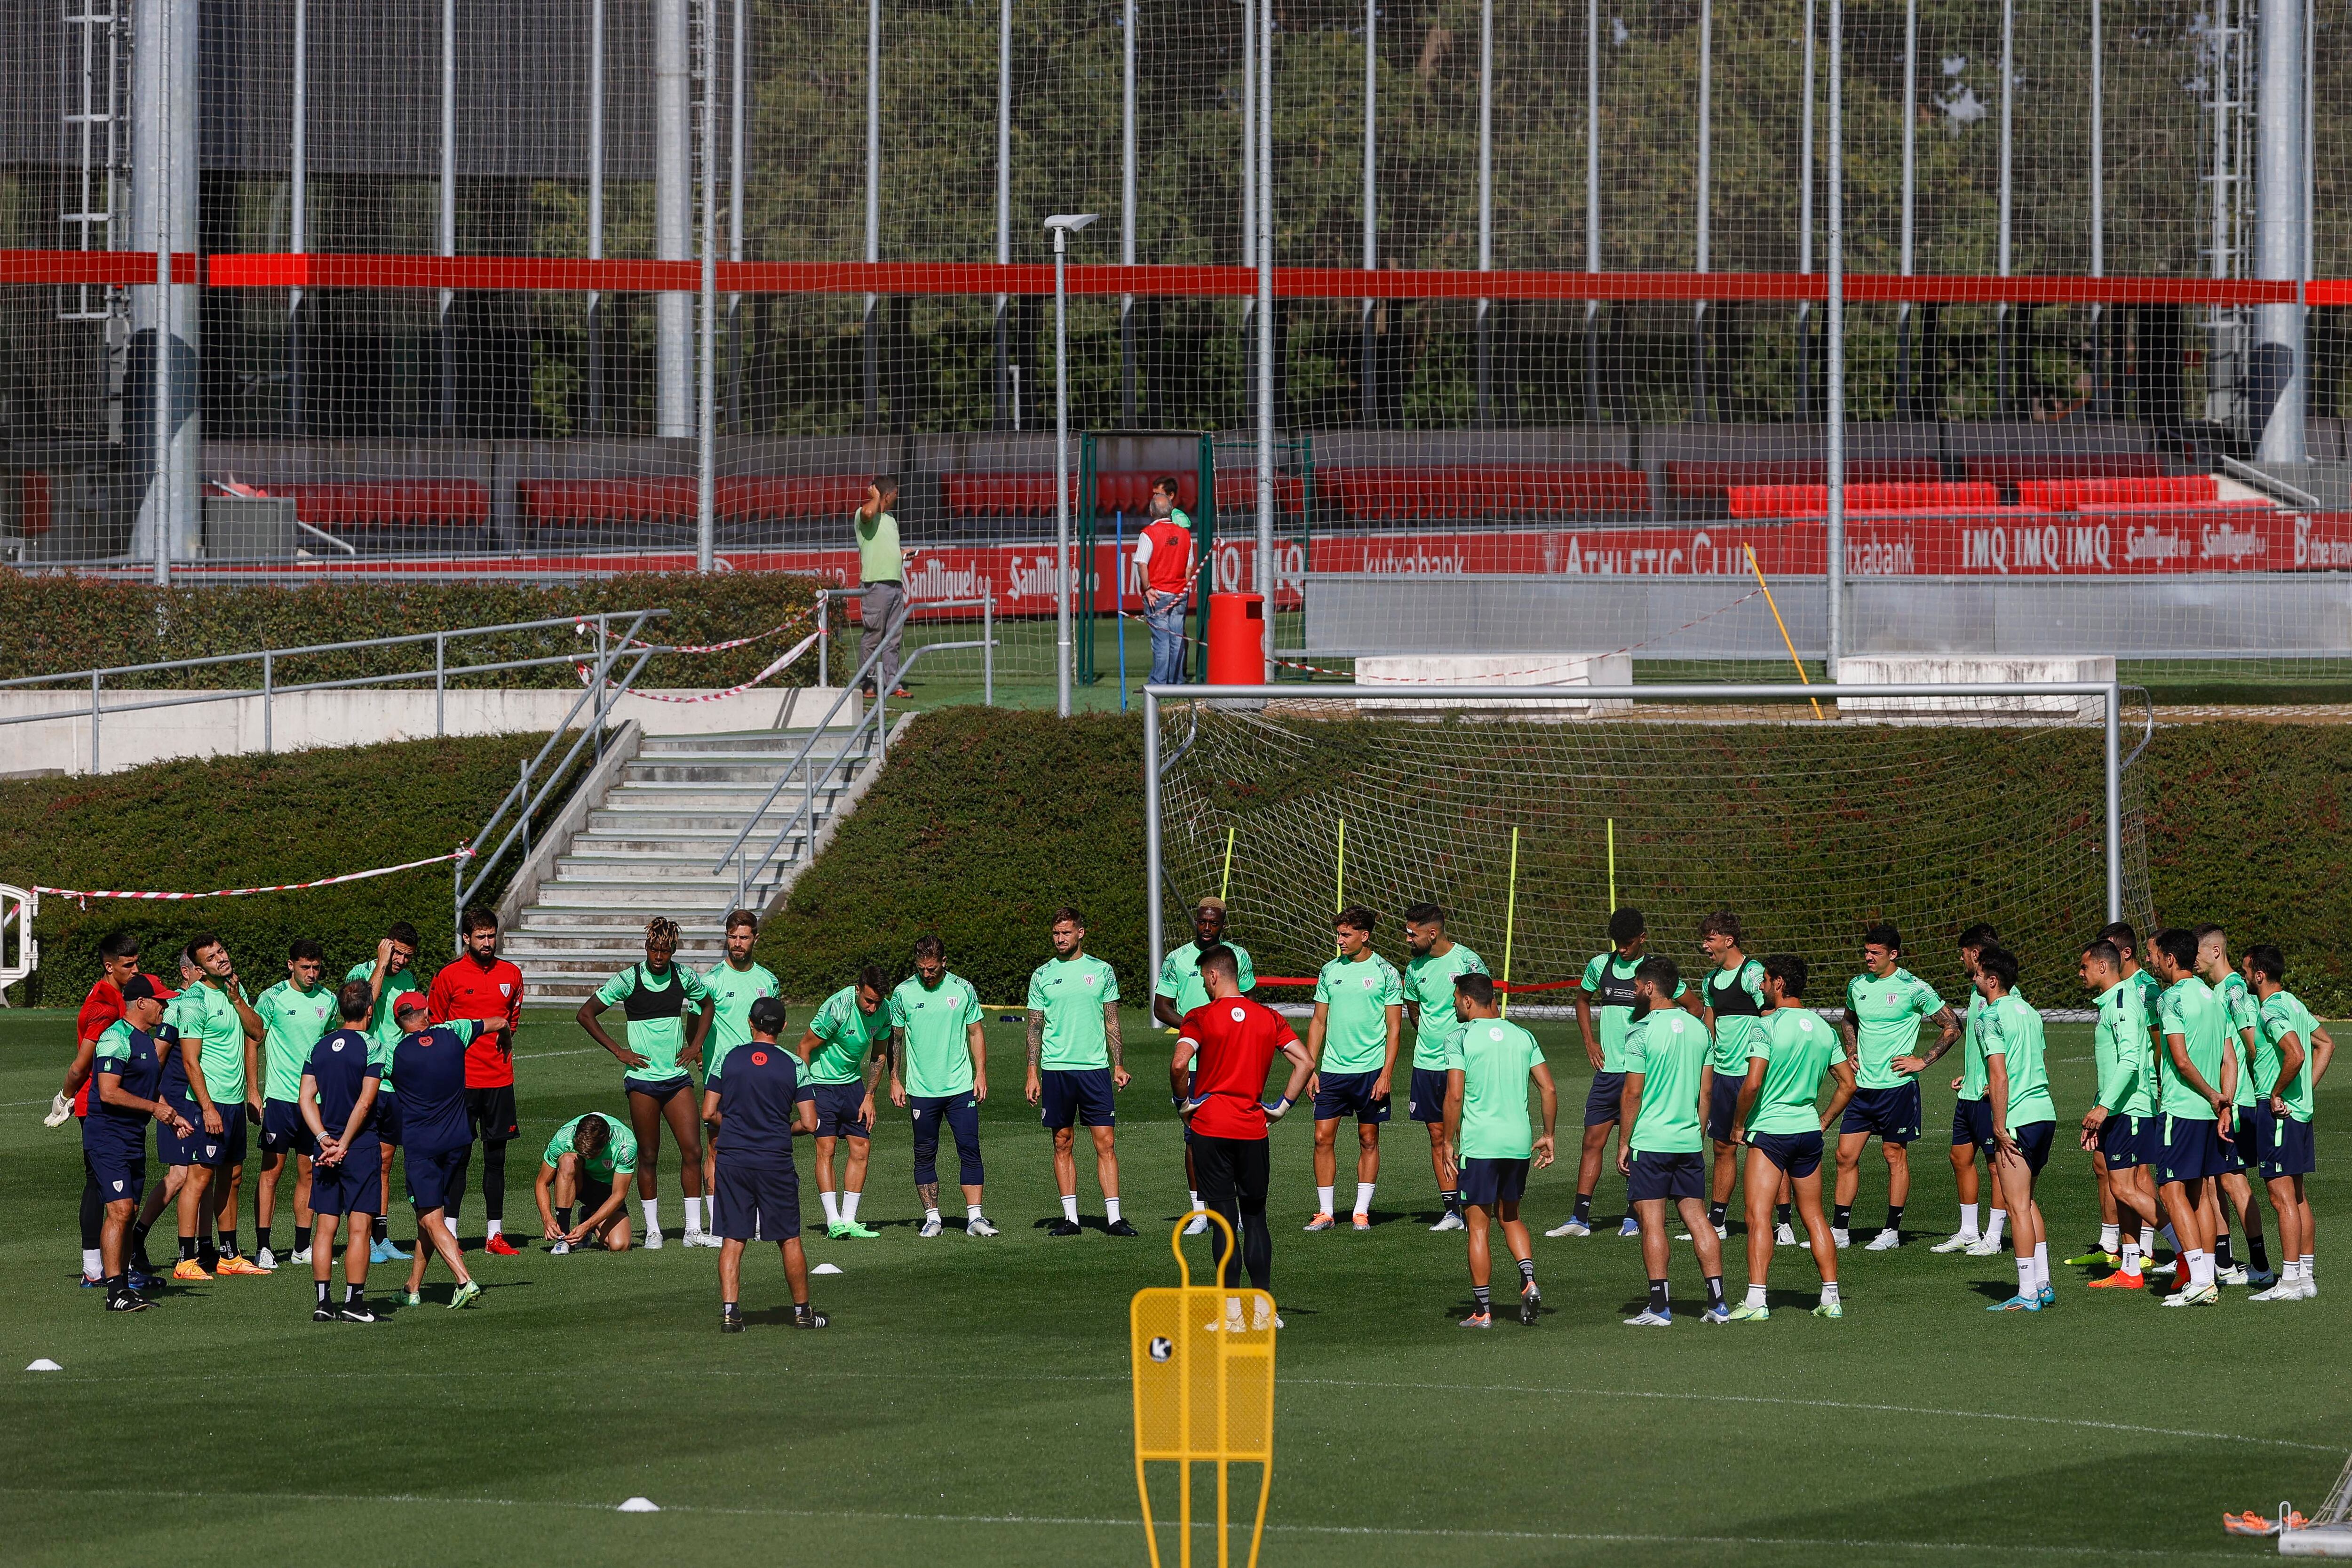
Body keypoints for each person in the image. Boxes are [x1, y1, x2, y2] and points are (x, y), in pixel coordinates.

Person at [1170, 945, 1315, 1313]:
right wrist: (1282, 1107)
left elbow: (1179, 1064)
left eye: (1204, 977)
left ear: (1214, 975)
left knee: (1223, 1223)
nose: (1204, 984)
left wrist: (1185, 1103)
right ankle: (1265, 1311)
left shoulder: (1199, 1016)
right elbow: (1305, 1061)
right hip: (1253, 1129)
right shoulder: (1268, 1017)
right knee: (1256, 1219)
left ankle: (1232, 1312)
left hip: (1211, 1128)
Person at [577, 917, 717, 1250]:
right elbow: (586, 1013)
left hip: (677, 1078)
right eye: (654, 948)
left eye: (665, 950)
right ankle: (653, 1230)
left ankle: (693, 1230)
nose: (658, 955)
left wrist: (696, 1045)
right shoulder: (629, 978)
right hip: (642, 1081)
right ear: (646, 947)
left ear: (673, 950)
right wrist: (619, 1052)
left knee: (693, 1150)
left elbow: (708, 1004)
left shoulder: (684, 976)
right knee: (649, 1155)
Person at [1556, 908, 1697, 1240]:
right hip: (1609, 1074)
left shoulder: (1654, 973)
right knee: (1592, 1141)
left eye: (1629, 943)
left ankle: (1634, 1217)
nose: (1622, 949)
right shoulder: (1599, 966)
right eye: (1617, 942)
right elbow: (1582, 999)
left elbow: (1695, 1007)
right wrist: (1590, 1041)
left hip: (1644, 1075)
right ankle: (1580, 1217)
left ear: (1643, 939)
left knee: (1638, 1146)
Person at [1728, 955, 1848, 1321]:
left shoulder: (1766, 1026)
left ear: (1779, 983)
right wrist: (1825, 1119)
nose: (1761, 987)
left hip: (1771, 1133)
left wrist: (1738, 1124)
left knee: (1757, 1215)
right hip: (1809, 1132)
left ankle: (1755, 1301)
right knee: (1814, 1216)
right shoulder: (1824, 1028)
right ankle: (1832, 1298)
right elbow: (1848, 1084)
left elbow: (1752, 1083)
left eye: (1765, 980)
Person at [705, 997, 828, 1332]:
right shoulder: (794, 1065)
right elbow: (810, 1122)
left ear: (750, 1022)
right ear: (784, 1027)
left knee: (733, 1238)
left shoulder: (727, 1058)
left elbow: (708, 1112)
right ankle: (803, 1313)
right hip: (775, 1160)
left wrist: (734, 1125)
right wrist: (782, 1128)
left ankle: (731, 1314)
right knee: (789, 1238)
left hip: (733, 1159)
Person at [1618, 957, 1729, 1326]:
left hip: (1651, 1141)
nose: (1634, 992)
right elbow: (1707, 1090)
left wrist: (1623, 1143)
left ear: (1650, 987)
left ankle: (1660, 1307)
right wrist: (1696, 1130)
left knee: (1652, 1222)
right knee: (1698, 1217)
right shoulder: (1701, 1030)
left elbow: (1633, 1094)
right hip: (1687, 1141)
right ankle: (1718, 1303)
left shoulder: (1642, 1031)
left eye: (1636, 986)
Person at [1442, 973, 1556, 1329]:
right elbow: (1548, 1088)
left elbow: (1455, 1095)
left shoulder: (1458, 1037)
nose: (1454, 1005)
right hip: (1518, 1143)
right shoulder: (1523, 1035)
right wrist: (1549, 1134)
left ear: (1466, 1001)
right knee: (1511, 1217)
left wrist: (1447, 1141)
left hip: (1480, 1144)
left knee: (1478, 1227)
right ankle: (1529, 1280)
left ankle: (1482, 1310)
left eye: (1456, 998)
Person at [1835, 924, 1957, 1251]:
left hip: (1897, 1089)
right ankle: (1840, 1230)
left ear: (1893, 954)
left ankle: (1891, 1231)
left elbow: (1952, 1025)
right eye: (1866, 950)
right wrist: (1851, 1049)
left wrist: (1923, 1061)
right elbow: (1848, 1019)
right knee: (1845, 1155)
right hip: (1862, 1088)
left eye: (1875, 952)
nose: (1868, 957)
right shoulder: (1857, 984)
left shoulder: (1913, 987)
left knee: (1893, 1154)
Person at [1024, 907, 1135, 1237]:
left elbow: (1111, 1020)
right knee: (1062, 1141)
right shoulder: (1042, 975)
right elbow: (1034, 1026)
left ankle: (1114, 1218)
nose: (1060, 939)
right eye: (1056, 933)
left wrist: (1118, 1063)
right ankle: (1071, 1218)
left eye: (1066, 933)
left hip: (1095, 1070)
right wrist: (1032, 1072)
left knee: (1106, 1141)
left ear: (1081, 933)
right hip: (1056, 1070)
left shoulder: (1101, 970)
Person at [84, 976, 193, 1311]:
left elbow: (145, 1090)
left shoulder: (145, 1041)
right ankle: (114, 1291)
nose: (166, 1006)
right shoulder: (115, 1038)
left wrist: (172, 1116)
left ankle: (124, 1282)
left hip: (132, 1138)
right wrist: (157, 1109)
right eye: (161, 1000)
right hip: (108, 1137)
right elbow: (109, 1091)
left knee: (129, 1210)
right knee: (118, 1210)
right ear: (142, 1002)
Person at [425, 905, 527, 1255]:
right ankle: (450, 1231)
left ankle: (494, 1235)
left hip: (499, 1079)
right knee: (457, 1157)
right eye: (481, 936)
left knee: (496, 1158)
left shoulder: (512, 974)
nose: (487, 942)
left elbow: (512, 1020)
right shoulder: (449, 975)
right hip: (460, 1083)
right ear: (466, 938)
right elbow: (435, 1025)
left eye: (491, 935)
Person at [169, 932, 268, 1278]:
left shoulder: (232, 992)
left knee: (234, 1175)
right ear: (199, 968)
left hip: (234, 1102)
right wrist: (207, 1108)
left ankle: (229, 1255)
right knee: (198, 1177)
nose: (221, 959)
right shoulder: (195, 1000)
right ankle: (185, 1260)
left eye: (221, 951)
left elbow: (257, 1033)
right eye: (211, 958)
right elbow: (190, 1062)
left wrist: (238, 999)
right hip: (205, 1104)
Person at [1156, 896, 1256, 1232]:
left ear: (1223, 923)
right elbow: (1161, 1005)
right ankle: (1200, 1212)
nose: (1207, 928)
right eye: (1202, 922)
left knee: (1238, 1134)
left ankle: (1236, 1211)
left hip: (1233, 1061)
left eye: (1214, 922)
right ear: (1195, 921)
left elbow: (1250, 1002)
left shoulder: (1237, 957)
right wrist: (1194, 1027)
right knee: (1195, 1137)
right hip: (1196, 1063)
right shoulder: (1177, 959)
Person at [389, 994, 495, 1308]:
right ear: (427, 1012)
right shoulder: (454, 1033)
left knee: (431, 1218)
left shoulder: (396, 1051)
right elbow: (498, 1022)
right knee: (427, 1218)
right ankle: (412, 1288)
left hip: (422, 1148)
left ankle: (463, 1280)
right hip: (458, 1142)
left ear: (399, 1021)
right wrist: (503, 1037)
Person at [1304, 906, 1404, 1233]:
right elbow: (1319, 1021)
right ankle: (1326, 1212)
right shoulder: (1329, 970)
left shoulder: (1386, 972)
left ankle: (1361, 1211)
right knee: (1322, 1138)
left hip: (1371, 1071)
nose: (1340, 941)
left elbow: (1394, 1027)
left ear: (1365, 935)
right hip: (1332, 1071)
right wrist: (1310, 1066)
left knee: (1368, 1138)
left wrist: (1387, 1072)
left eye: (1346, 935)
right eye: (1338, 934)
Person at [889, 935, 994, 1238]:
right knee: (924, 1154)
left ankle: (975, 1218)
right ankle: (933, 1218)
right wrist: (895, 1080)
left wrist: (981, 1073)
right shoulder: (903, 993)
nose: (927, 974)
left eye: (932, 968)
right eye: (922, 968)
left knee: (970, 1149)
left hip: (961, 1087)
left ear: (944, 963)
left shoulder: (963, 989)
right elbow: (895, 1038)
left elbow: (975, 1032)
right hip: (921, 1090)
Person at [2149, 928, 2233, 1307]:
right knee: (2199, 1192)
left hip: (2183, 1108)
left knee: (2170, 1189)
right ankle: (2207, 1277)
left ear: (2170, 959)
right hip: (2207, 1111)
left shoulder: (2171, 999)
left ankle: (2199, 1278)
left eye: (2157, 957)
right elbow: (2227, 1059)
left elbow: (2180, 1060)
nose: (2155, 963)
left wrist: (2212, 1094)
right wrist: (2222, 1102)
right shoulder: (2214, 998)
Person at [57, 931, 146, 1289]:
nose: (135, 969)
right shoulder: (105, 1006)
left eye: (137, 961)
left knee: (104, 1183)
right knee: (99, 1183)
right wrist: (64, 1097)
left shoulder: (112, 995)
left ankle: (113, 1265)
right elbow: (82, 1063)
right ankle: (95, 1266)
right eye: (128, 965)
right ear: (110, 966)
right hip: (98, 1103)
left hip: (106, 1099)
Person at [1976, 947, 2058, 1312]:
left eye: (1977, 974)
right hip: (2044, 1113)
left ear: (1993, 980)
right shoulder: (2031, 1013)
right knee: (2028, 1201)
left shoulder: (1989, 1016)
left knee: (2016, 1207)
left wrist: (1997, 1123)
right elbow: (2032, 1062)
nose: (1973, 979)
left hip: (2018, 1118)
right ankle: (2043, 1284)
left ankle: (2027, 1293)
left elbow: (2000, 1073)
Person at [2078, 939, 2162, 1291]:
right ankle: (2130, 1268)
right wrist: (2101, 1107)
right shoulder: (2114, 1001)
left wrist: (2105, 1107)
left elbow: (2130, 1061)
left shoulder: (2124, 1000)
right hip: (2119, 1108)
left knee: (2125, 1188)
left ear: (2102, 967)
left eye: (2084, 967)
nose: (2080, 973)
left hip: (2130, 1108)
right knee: (2121, 1187)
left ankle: (2190, 1254)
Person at [2247, 946, 2329, 1302]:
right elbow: (2325, 1044)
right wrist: (2303, 1092)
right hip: (2299, 1111)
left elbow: (2296, 1053)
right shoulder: (2294, 1002)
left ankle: (2291, 1281)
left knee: (2281, 1198)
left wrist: (2280, 1092)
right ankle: (2305, 1276)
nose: (2245, 976)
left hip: (2277, 1111)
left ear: (2260, 974)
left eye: (2247, 971)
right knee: (2296, 1196)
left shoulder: (2271, 1008)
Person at [300, 981, 385, 1323]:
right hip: (359, 1147)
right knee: (360, 1230)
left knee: (324, 1229)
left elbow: (305, 1098)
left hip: (324, 1149)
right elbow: (365, 1103)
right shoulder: (373, 1046)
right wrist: (345, 1144)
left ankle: (323, 1303)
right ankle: (355, 1302)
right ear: (368, 1010)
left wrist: (324, 1139)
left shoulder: (318, 1047)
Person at [1400, 902, 1486, 1233]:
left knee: (1469, 1135)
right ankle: (1452, 1210)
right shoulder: (1413, 968)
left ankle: (1477, 1202)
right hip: (1426, 1064)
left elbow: (1483, 1007)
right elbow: (1414, 1010)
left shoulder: (1467, 961)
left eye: (1413, 933)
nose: (1408, 938)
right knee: (1438, 1136)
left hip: (1462, 1063)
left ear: (1432, 933)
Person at [254, 939, 336, 1270]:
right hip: (279, 1099)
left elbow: (330, 1047)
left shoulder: (329, 1000)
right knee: (271, 1173)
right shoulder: (271, 998)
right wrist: (253, 1091)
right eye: (305, 967)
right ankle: (264, 1247)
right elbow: (253, 1039)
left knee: (309, 1173)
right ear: (291, 965)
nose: (312, 973)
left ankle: (303, 1246)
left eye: (316, 967)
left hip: (312, 1104)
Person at [2197, 925, 2272, 1287]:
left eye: (2197, 953)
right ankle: (2224, 1261)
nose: (2192, 960)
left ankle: (2260, 1264)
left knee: (2234, 1183)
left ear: (2215, 951)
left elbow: (2253, 1044)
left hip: (2238, 1102)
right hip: (2222, 1102)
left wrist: (2259, 1092)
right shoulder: (2214, 991)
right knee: (2214, 1181)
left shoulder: (2236, 990)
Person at [348, 923, 424, 1264]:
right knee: (365, 1161)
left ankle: (381, 1237)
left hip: (397, 1083)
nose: (402, 961)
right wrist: (380, 965)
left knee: (385, 1163)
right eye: (397, 953)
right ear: (385, 946)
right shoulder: (362, 972)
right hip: (367, 1080)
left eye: (408, 956)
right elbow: (366, 1008)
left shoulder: (408, 981)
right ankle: (361, 1238)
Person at [1931, 925, 2010, 1258]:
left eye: (1964, 954)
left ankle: (1993, 1236)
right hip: (1969, 1094)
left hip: (1988, 1097)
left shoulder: (2005, 996)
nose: (1961, 960)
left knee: (1996, 1165)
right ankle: (1967, 1231)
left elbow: (2011, 1049)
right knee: (1960, 1157)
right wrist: (1970, 1074)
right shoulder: (1977, 993)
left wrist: (1995, 1085)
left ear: (1975, 954)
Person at [798, 967, 890, 1240]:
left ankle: (849, 1220)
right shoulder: (837, 1008)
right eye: (869, 1001)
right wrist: (805, 1093)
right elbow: (804, 1047)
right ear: (859, 988)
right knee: (827, 1149)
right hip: (822, 1085)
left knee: (862, 1147)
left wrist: (870, 1096)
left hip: (853, 1087)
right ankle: (833, 1220)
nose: (873, 1008)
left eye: (878, 1002)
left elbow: (880, 1054)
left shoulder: (885, 1010)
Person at [1698, 911, 1766, 1241]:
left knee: (1766, 1149)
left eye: (1710, 939)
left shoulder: (1753, 973)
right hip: (1724, 1077)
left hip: (1753, 1075)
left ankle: (1782, 1224)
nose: (1705, 945)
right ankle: (1718, 1222)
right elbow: (1709, 1026)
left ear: (1729, 939)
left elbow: (1771, 1015)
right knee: (1723, 1148)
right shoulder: (1709, 981)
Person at [537, 1113, 639, 1253]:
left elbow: (619, 1195)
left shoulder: (625, 1143)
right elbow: (542, 1182)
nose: (587, 1157)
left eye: (591, 1155)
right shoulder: (563, 1137)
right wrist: (547, 1219)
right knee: (568, 1160)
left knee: (620, 1245)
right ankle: (563, 1238)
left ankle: (589, 1215)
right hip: (577, 1182)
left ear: (606, 1143)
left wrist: (586, 1226)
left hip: (607, 1192)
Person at [1134, 475, 1195, 687]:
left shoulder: (1149, 533)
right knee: (1177, 638)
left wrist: (1148, 588)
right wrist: (1183, 589)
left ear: (1152, 512)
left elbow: (1142, 563)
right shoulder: (1185, 534)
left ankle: (1158, 684)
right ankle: (1177, 682)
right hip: (1179, 594)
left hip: (1158, 594)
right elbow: (1189, 567)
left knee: (1161, 641)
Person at [855, 475, 911, 699]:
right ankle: (866, 684)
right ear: (886, 495)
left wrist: (902, 555)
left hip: (895, 584)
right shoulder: (864, 514)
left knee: (893, 638)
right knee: (874, 635)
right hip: (875, 585)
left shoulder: (891, 520)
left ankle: (892, 683)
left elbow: (887, 550)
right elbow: (869, 513)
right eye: (895, 494)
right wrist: (875, 497)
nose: (897, 498)